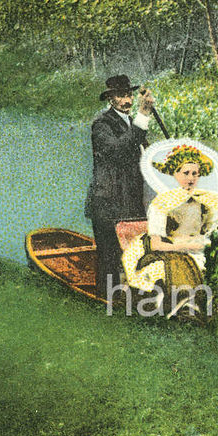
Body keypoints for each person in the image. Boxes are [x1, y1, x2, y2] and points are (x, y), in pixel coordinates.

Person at [121, 144, 218, 313]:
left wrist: (209, 242)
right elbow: (156, 244)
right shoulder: (162, 204)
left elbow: (212, 232)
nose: (191, 178)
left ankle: (211, 305)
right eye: (185, 173)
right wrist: (188, 245)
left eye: (195, 174)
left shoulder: (205, 202)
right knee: (173, 268)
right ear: (174, 174)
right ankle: (181, 307)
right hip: (169, 250)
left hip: (198, 250)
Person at [85, 74, 156, 297]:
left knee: (133, 254)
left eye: (129, 95)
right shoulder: (102, 125)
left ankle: (133, 300)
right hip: (108, 204)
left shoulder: (130, 123)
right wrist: (143, 115)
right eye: (121, 96)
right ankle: (105, 303)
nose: (127, 100)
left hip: (131, 201)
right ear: (111, 99)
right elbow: (119, 151)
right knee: (109, 258)